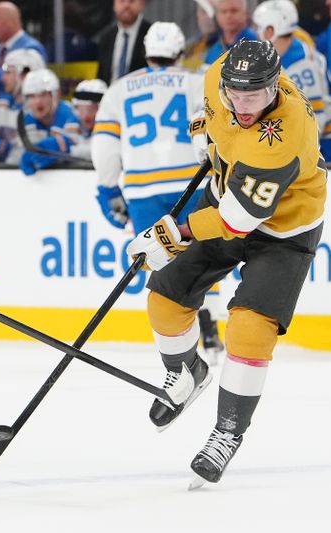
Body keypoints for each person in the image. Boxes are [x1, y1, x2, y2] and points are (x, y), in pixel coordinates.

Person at [125, 39, 326, 486]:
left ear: (274, 85)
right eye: (235, 96)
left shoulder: (283, 138)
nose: (242, 106)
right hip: (225, 195)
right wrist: (206, 128)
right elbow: (211, 103)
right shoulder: (220, 73)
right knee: (164, 298)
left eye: (254, 97)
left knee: (249, 330)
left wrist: (172, 234)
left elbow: (236, 222)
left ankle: (228, 431)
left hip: (283, 231)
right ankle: (186, 372)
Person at [91, 21, 224, 363]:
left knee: (160, 264)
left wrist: (108, 186)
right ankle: (209, 326)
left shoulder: (119, 89)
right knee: (202, 258)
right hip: (191, 183)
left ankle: (175, 344)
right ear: (179, 52)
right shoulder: (197, 81)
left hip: (142, 189)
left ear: (146, 51)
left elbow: (104, 145)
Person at [253, 0, 331, 161]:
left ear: (271, 30)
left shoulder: (302, 65)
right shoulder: (281, 55)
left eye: (258, 27)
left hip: (329, 141)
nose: (255, 33)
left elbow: (315, 119)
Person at [0, 47, 45, 164]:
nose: (3, 78)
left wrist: (4, 149)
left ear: (25, 75)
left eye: (8, 73)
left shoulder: (41, 112)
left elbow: (34, 156)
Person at [18, 68, 82, 176]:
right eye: (32, 96)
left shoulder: (72, 114)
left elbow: (84, 148)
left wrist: (63, 146)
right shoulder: (26, 120)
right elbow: (20, 153)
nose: (38, 101)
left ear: (55, 95)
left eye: (43, 95)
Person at [96, 0, 151, 83]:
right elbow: (101, 76)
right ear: (114, 4)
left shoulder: (151, 35)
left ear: (142, 4)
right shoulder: (106, 37)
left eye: (131, 1)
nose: (126, 5)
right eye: (122, 1)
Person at [204, 0, 257, 66]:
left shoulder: (257, 45)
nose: (228, 16)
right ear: (217, 16)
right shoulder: (213, 50)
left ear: (246, 14)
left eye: (234, 11)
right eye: (223, 11)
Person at [69, 78, 107, 159]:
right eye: (81, 110)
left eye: (91, 109)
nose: (86, 115)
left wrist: (70, 150)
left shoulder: (111, 126)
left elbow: (101, 151)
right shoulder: (71, 122)